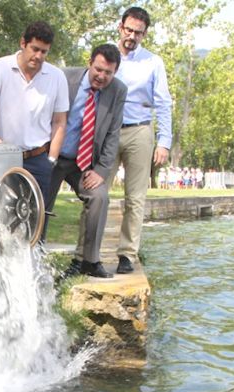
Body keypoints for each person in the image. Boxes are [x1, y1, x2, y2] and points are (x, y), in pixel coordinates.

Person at [46, 44, 126, 279]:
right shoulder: (63, 77)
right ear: (90, 63)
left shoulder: (118, 91)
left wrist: (101, 170)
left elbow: (113, 133)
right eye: (98, 69)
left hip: (83, 163)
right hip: (52, 155)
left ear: (115, 72)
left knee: (99, 196)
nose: (101, 76)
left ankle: (89, 261)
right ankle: (32, 257)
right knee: (40, 206)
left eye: (108, 73)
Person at [0, 21, 69, 202]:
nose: (38, 56)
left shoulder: (57, 77)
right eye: (35, 49)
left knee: (36, 223)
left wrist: (51, 160)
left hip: (38, 159)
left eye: (44, 51)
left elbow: (59, 121)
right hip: (0, 156)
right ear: (23, 43)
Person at [110, 6, 173, 274]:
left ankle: (127, 255)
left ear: (144, 35)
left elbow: (163, 103)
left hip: (140, 131)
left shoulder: (153, 62)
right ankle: (85, 254)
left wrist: (164, 141)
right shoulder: (106, 55)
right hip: (109, 131)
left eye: (139, 33)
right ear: (120, 27)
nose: (132, 36)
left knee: (135, 198)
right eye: (129, 30)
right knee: (95, 192)